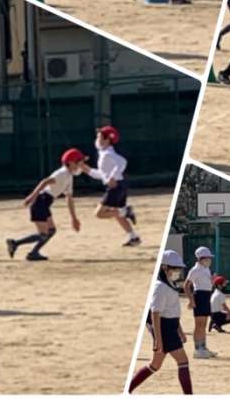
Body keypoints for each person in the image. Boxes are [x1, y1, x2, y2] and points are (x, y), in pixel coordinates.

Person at [129, 250, 193, 394]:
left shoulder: (169, 284)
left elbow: (172, 311)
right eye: (175, 268)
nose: (178, 271)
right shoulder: (160, 287)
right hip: (164, 329)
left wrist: (180, 331)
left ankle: (128, 389)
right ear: (164, 267)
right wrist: (158, 340)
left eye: (178, 268)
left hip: (170, 327)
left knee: (155, 365)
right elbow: (155, 314)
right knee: (183, 361)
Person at [6, 148, 84, 261]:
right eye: (79, 162)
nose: (80, 165)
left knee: (51, 231)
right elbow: (45, 182)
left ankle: (33, 253)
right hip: (40, 201)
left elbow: (69, 198)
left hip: (45, 203)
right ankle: (14, 243)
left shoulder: (69, 176)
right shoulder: (62, 173)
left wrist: (74, 218)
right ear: (71, 162)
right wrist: (32, 196)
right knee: (43, 234)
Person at [81, 126, 140, 246]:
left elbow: (122, 162)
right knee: (116, 213)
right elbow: (101, 175)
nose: (97, 140)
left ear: (107, 140)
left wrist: (112, 177)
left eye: (99, 137)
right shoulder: (104, 153)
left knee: (99, 213)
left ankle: (126, 211)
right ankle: (133, 237)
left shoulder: (107, 153)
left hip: (116, 187)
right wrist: (84, 167)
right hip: (119, 185)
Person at [184, 246, 217, 358]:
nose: (209, 260)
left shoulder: (206, 269)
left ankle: (203, 347)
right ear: (200, 259)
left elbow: (207, 284)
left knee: (204, 324)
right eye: (207, 258)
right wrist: (191, 300)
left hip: (207, 296)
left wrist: (212, 280)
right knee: (199, 324)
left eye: (209, 258)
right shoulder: (195, 270)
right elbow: (186, 285)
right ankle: (197, 349)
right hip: (199, 296)